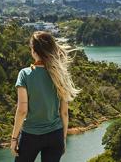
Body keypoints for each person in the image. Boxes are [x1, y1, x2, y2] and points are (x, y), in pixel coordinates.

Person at [11, 31, 79, 161]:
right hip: (55, 136)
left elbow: (22, 111)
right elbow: (64, 113)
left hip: (30, 136)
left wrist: (14, 138)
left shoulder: (25, 74)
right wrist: (63, 138)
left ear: (34, 51)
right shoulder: (60, 75)